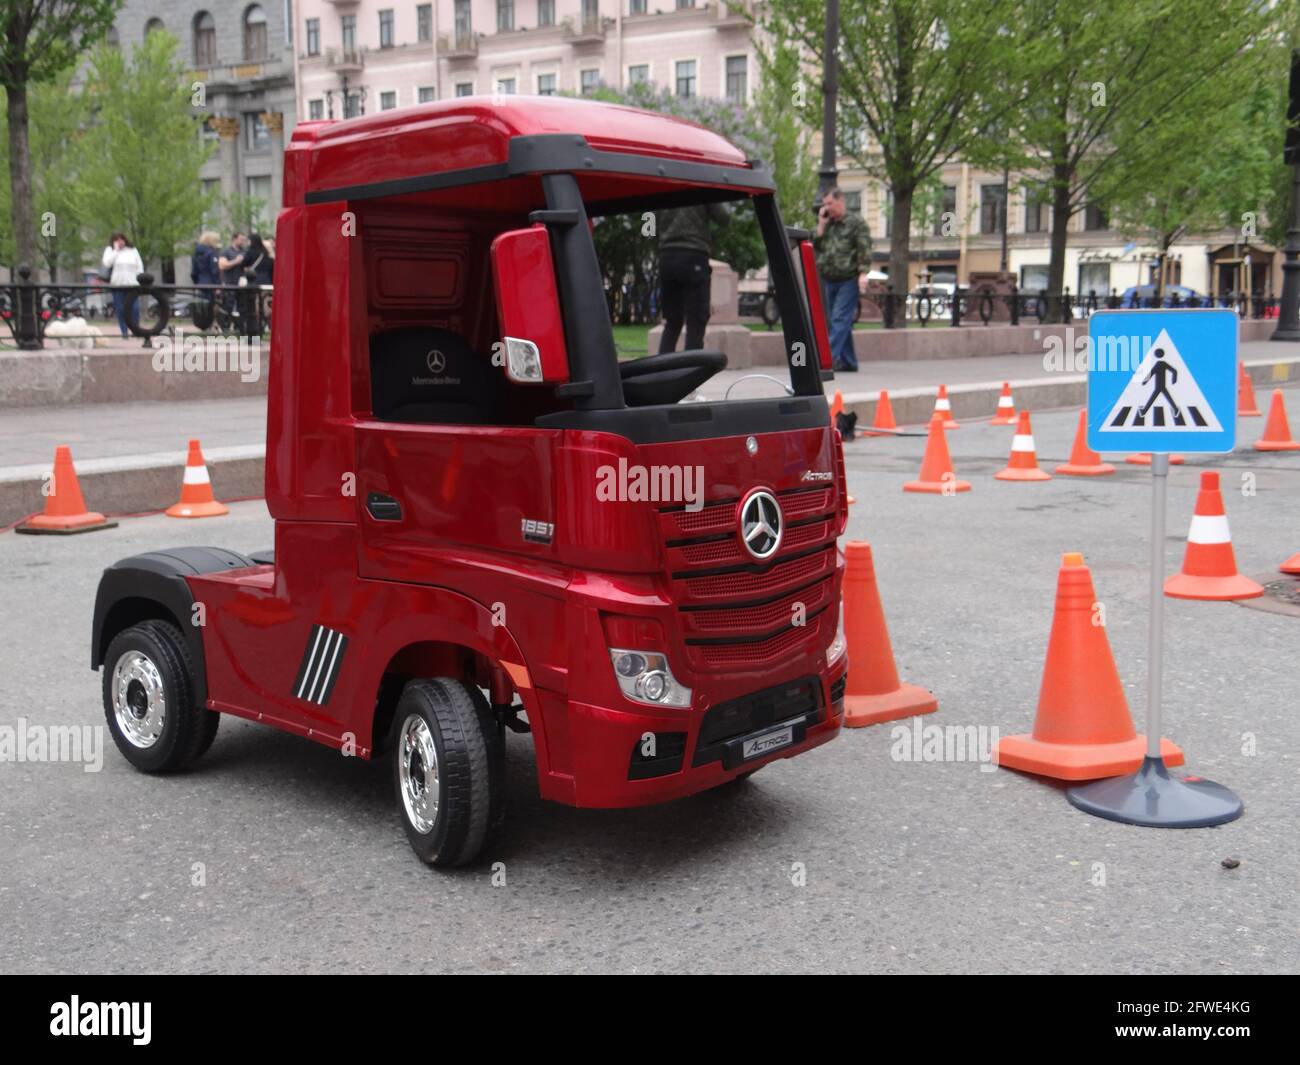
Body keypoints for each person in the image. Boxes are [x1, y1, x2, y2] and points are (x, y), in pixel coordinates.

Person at [813, 187, 872, 372]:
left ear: (841, 201)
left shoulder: (856, 223)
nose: (827, 208)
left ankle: (825, 362)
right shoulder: (829, 224)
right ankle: (849, 362)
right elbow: (818, 245)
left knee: (839, 318)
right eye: (825, 204)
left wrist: (863, 274)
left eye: (830, 203)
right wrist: (821, 224)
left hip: (848, 279)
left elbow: (864, 249)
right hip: (830, 278)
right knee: (838, 320)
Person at [657, 201, 728, 353]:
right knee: (696, 320)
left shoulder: (660, 182)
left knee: (672, 321)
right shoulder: (700, 180)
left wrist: (660, 238)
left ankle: (662, 372)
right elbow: (724, 217)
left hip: (666, 257)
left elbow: (647, 217)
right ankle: (691, 371)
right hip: (694, 254)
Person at [101, 232, 144, 339]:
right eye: (117, 240)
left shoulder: (132, 251)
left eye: (121, 239)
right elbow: (107, 263)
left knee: (134, 308)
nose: (120, 241)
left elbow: (139, 266)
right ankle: (124, 332)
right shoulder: (110, 250)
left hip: (132, 284)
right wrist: (116, 250)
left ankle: (135, 330)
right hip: (118, 284)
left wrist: (140, 279)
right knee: (120, 309)